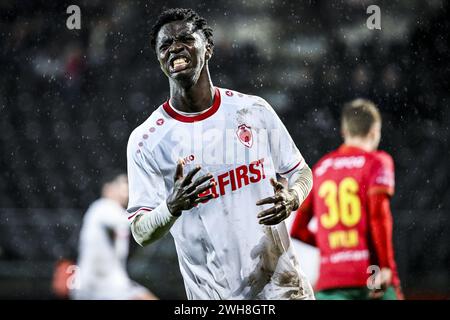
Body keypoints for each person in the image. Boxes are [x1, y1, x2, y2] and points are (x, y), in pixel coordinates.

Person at [126, 8, 314, 300]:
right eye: (165, 45)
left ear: (208, 48)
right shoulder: (147, 140)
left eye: (186, 38)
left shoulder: (253, 111)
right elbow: (140, 231)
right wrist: (172, 206)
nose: (175, 47)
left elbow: (299, 171)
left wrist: (293, 198)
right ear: (160, 60)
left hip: (284, 288)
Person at [290, 99, 403, 300]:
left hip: (331, 281)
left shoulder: (321, 169)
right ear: (375, 131)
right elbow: (378, 216)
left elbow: (298, 229)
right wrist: (384, 267)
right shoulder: (377, 161)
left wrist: (333, 246)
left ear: (344, 132)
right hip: (370, 273)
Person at [71, 172, 157, 300]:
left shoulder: (116, 211)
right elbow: (128, 222)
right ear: (108, 188)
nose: (127, 189)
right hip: (95, 285)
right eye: (123, 184)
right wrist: (158, 211)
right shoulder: (102, 206)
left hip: (108, 284)